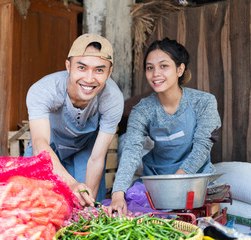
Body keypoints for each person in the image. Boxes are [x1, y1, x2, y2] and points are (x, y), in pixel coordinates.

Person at [108, 38, 221, 215]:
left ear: (179, 69)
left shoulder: (204, 102)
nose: (155, 74)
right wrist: (117, 194)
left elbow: (203, 146)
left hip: (194, 178)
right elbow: (131, 151)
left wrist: (175, 184)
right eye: (150, 67)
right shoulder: (142, 110)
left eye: (163, 66)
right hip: (157, 180)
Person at [24, 34, 124, 207]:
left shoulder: (112, 98)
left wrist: (87, 204)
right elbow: (40, 143)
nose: (89, 78)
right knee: (33, 201)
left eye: (99, 70)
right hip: (49, 147)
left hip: (85, 150)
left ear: (110, 72)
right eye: (82, 68)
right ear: (68, 66)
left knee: (84, 205)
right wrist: (70, 183)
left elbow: (97, 157)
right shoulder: (43, 90)